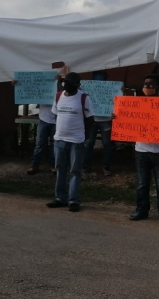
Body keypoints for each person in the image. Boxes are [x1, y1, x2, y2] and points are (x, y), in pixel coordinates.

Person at [116, 74, 159, 226]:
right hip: (142, 150)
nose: (146, 86)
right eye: (145, 83)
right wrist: (117, 118)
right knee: (142, 184)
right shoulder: (138, 104)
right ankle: (141, 211)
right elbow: (127, 120)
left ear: (158, 87)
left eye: (151, 84)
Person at [46, 72, 93, 212]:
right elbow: (55, 115)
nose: (66, 84)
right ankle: (60, 198)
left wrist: (84, 136)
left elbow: (90, 119)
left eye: (70, 82)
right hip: (59, 139)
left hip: (76, 141)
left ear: (78, 85)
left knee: (75, 171)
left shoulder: (84, 98)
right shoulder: (58, 96)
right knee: (60, 170)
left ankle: (73, 200)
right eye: (65, 81)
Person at [83, 71, 114, 176]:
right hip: (92, 120)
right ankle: (86, 165)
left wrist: (120, 91)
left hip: (106, 120)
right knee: (89, 143)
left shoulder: (112, 89)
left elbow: (119, 101)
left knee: (107, 144)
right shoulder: (88, 89)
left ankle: (106, 166)